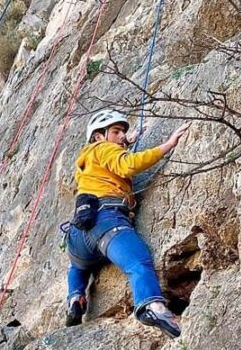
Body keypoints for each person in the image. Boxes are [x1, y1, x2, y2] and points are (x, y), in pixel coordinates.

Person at [64, 109, 190, 337]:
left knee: (78, 267)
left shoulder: (87, 158)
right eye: (116, 131)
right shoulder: (104, 148)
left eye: (124, 132)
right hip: (107, 222)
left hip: (78, 235)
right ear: (98, 136)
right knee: (138, 261)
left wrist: (126, 142)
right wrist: (168, 145)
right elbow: (127, 165)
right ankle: (152, 306)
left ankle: (75, 297)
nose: (122, 136)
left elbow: (111, 163)